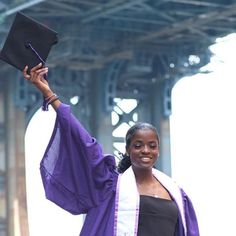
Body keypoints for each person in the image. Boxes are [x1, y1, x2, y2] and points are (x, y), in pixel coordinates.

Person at [23, 63, 200, 236]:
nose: (145, 150)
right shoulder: (110, 188)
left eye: (152, 146)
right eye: (138, 145)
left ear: (158, 151)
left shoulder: (177, 194)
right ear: (128, 150)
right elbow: (85, 144)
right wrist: (48, 93)